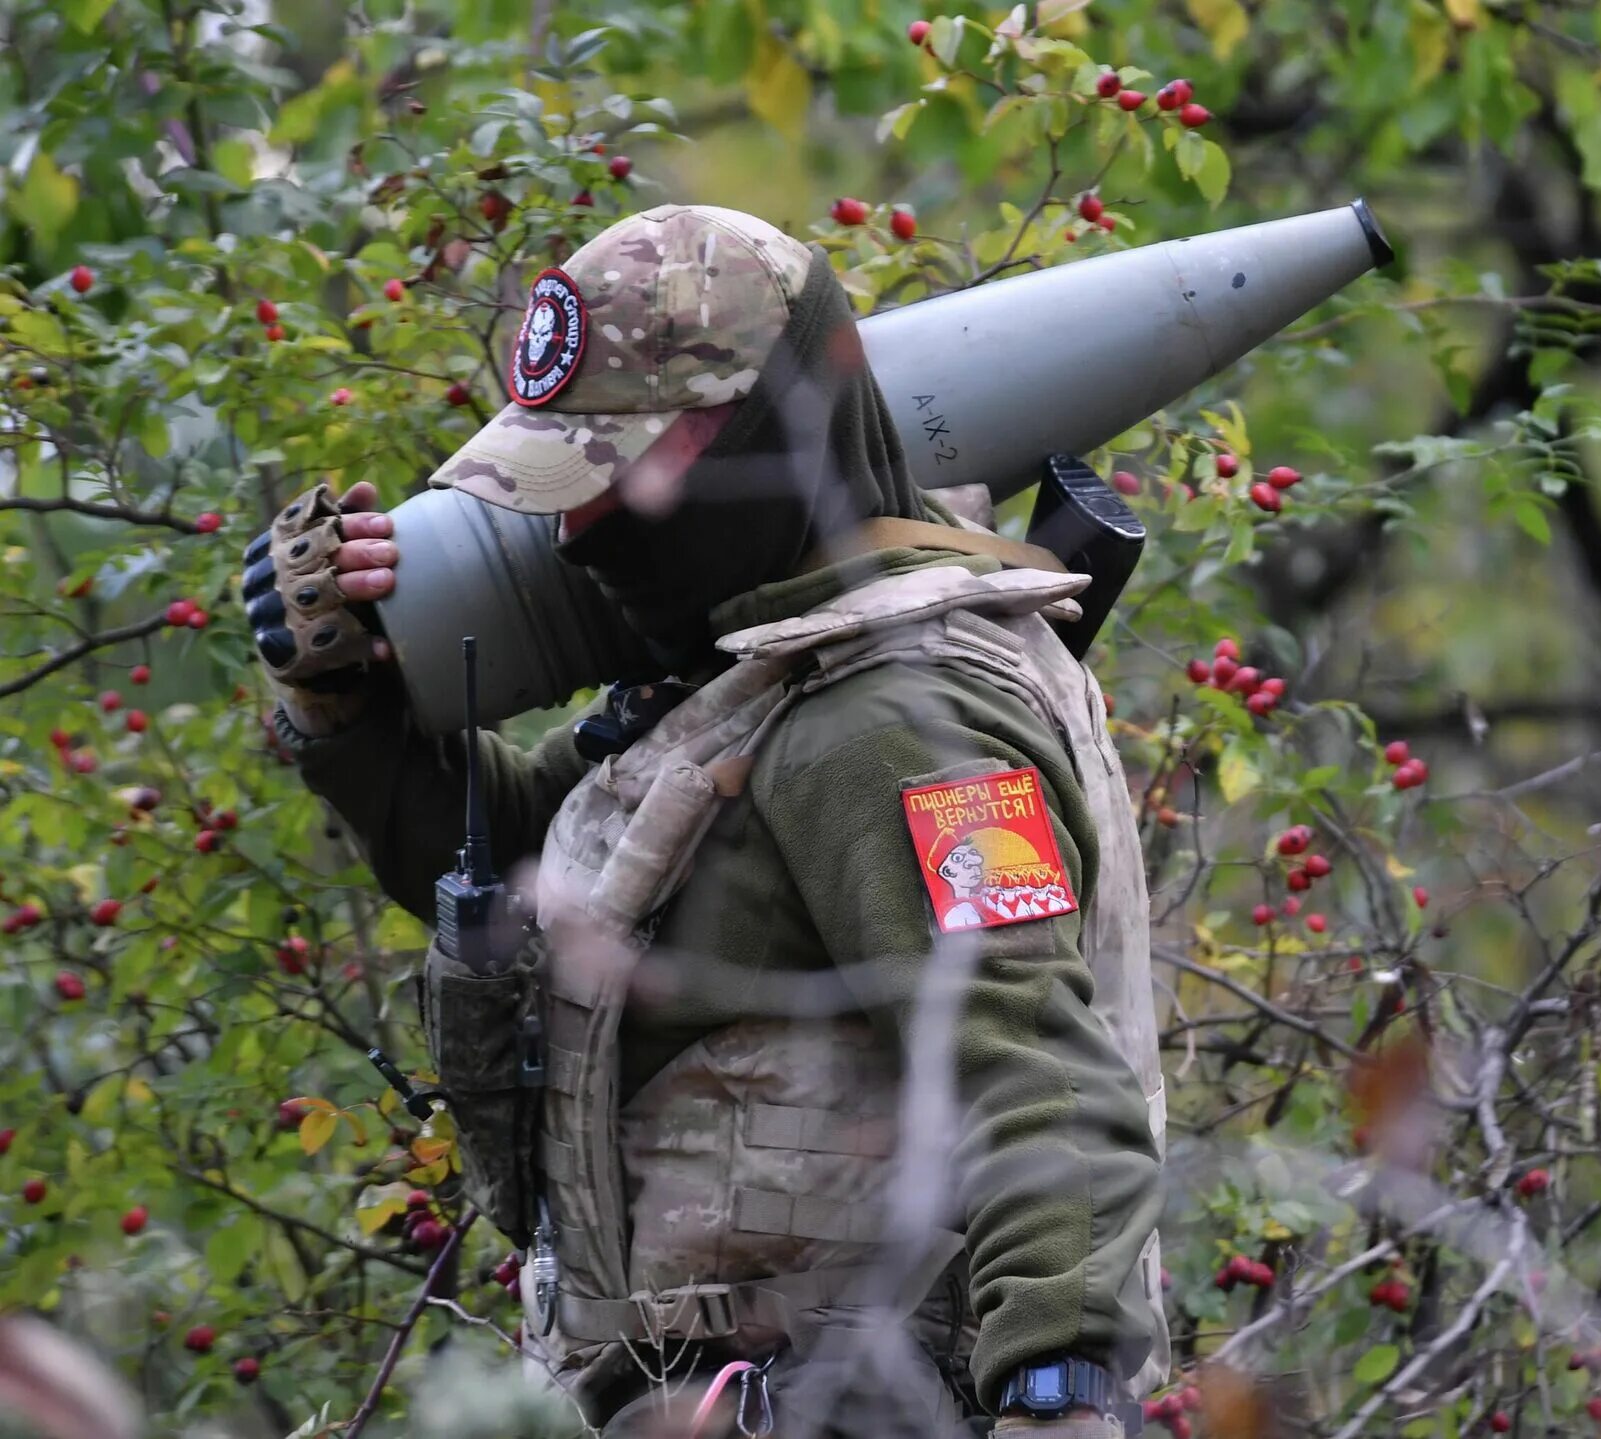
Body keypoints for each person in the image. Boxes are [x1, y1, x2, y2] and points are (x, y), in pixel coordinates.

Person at [246, 204, 1167, 1437]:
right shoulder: (758, 674)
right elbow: (540, 868)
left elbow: (1036, 1076)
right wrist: (349, 706)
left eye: (615, 468)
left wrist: (1059, 1400)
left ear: (761, 431)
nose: (575, 530)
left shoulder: (889, 713)